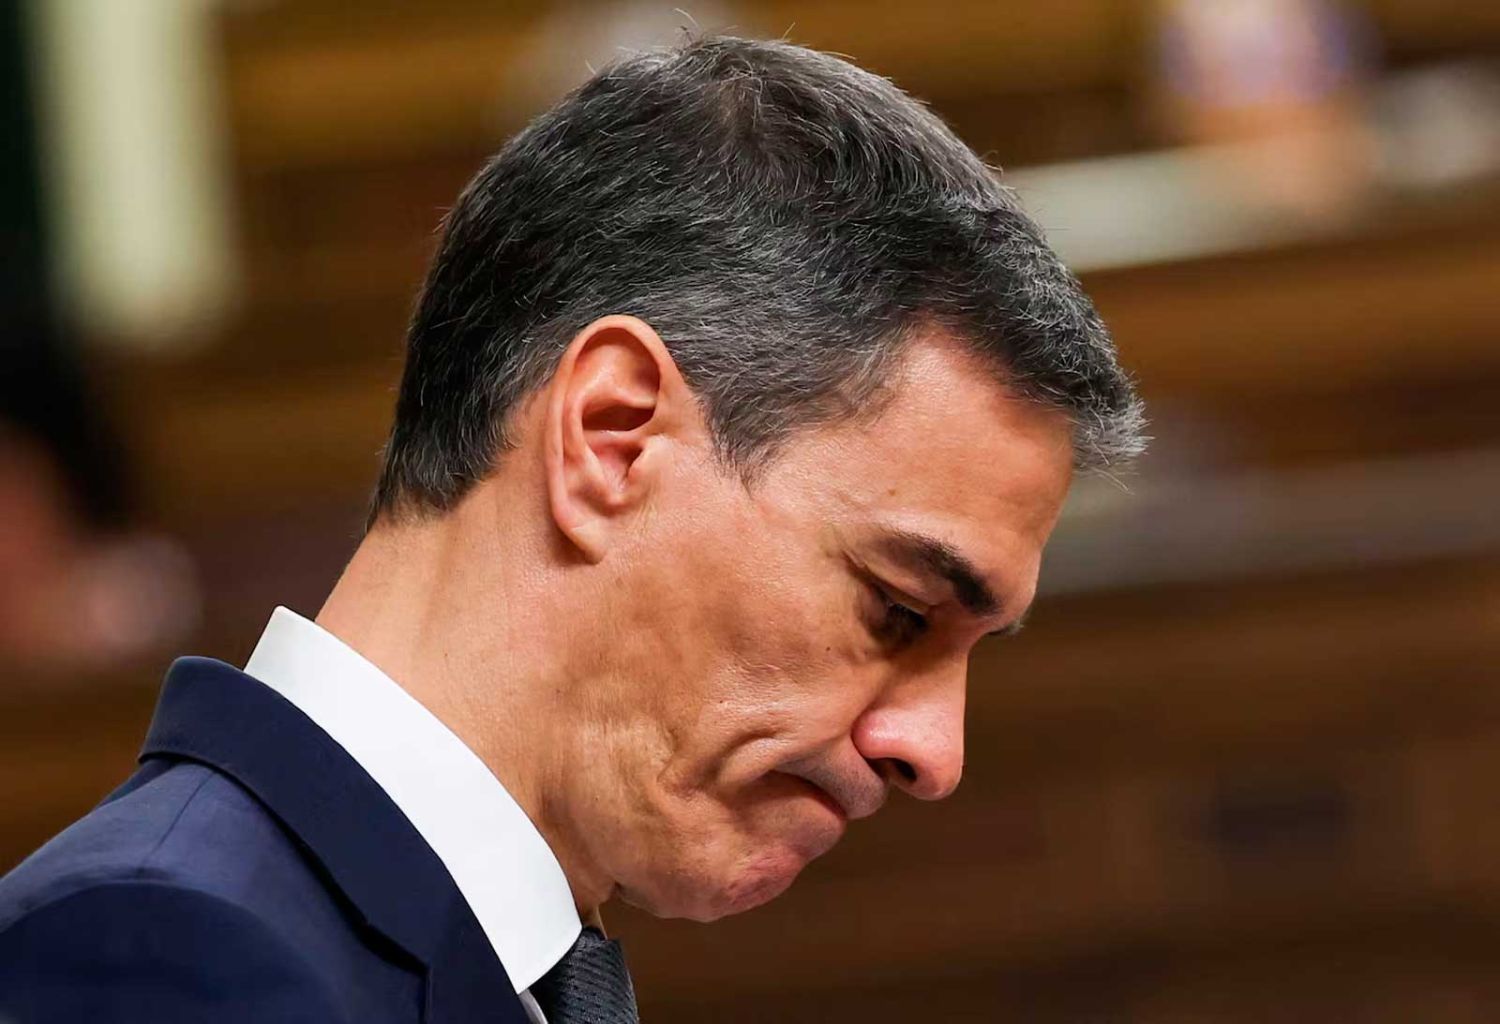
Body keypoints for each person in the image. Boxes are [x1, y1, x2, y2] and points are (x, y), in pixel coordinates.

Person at [0, 34, 1144, 1024]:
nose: (935, 753)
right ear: (612, 436)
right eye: (896, 608)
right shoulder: (156, 956)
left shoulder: (460, 952)